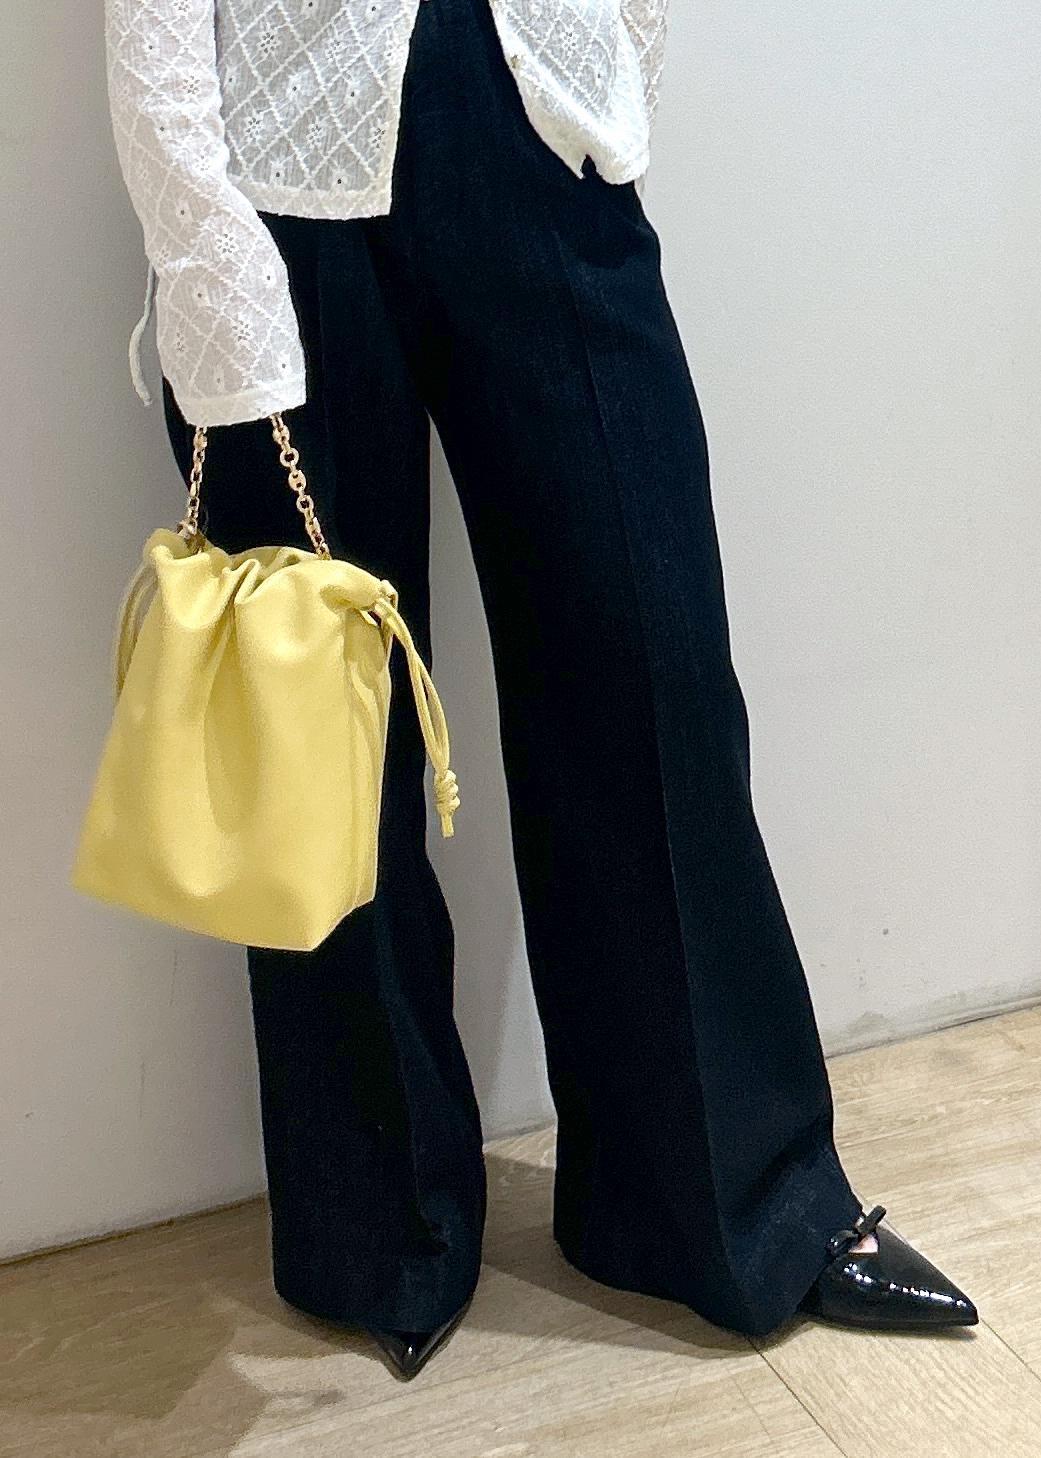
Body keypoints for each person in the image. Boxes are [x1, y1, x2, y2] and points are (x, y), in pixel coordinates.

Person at [104, 0, 978, 1379]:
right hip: (276, 189)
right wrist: (209, 260)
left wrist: (608, 76)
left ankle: (725, 1207)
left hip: (538, 140)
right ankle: (380, 1230)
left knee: (652, 684)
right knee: (325, 753)